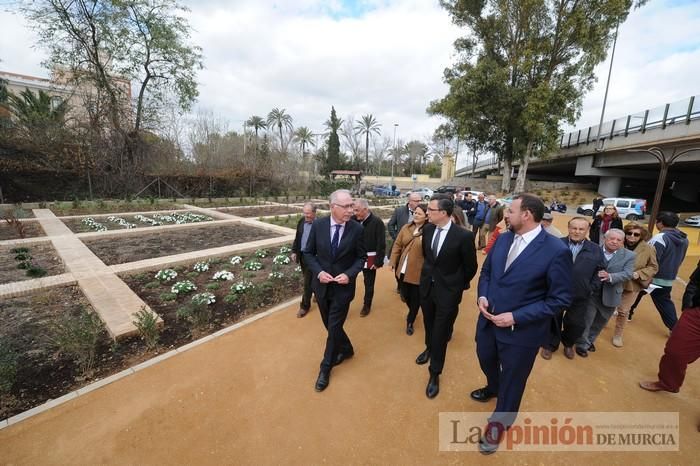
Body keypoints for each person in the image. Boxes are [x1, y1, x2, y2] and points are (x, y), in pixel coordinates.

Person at [472, 193, 572, 454]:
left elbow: (560, 299)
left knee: (514, 380)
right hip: (487, 322)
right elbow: (488, 273)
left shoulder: (556, 250)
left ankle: (499, 423)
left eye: (511, 211)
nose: (506, 215)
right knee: (485, 358)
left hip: (522, 332)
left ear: (526, 214)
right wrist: (482, 294)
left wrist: (516, 316)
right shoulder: (504, 238)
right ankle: (494, 387)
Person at [303, 189, 366, 392]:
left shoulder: (356, 229)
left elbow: (361, 258)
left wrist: (349, 274)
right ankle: (346, 349)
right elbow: (308, 254)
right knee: (330, 325)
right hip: (321, 287)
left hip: (343, 289)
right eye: (346, 206)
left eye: (352, 206)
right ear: (333, 207)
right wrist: (319, 272)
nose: (351, 210)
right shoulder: (319, 225)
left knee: (333, 327)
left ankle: (325, 367)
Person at [416, 194, 477, 399]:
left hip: (448, 293)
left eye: (431, 210)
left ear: (443, 213)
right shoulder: (428, 229)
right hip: (427, 288)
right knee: (428, 322)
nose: (427, 213)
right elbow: (428, 258)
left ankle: (435, 372)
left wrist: (455, 286)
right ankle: (428, 348)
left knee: (441, 331)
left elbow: (470, 268)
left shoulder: (463, 236)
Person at [540, 217, 605, 360]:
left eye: (581, 229)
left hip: (581, 294)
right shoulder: (556, 244)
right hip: (555, 292)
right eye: (574, 228)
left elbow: (600, 271)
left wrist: (591, 287)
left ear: (587, 230)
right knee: (553, 319)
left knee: (575, 322)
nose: (577, 231)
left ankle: (568, 343)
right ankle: (550, 345)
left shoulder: (595, 249)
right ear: (569, 228)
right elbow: (543, 265)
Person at [639, 259, 700, 393]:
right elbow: (695, 281)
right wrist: (688, 303)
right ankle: (668, 383)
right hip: (696, 315)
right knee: (675, 351)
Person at [575, 229, 635, 357]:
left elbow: (628, 273)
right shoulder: (594, 250)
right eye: (611, 239)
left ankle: (590, 340)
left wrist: (611, 277)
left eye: (618, 240)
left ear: (623, 242)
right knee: (587, 319)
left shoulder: (629, 255)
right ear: (605, 239)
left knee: (600, 321)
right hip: (592, 293)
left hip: (612, 294)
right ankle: (582, 344)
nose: (614, 242)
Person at [611, 222, 658, 347]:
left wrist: (639, 273)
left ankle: (618, 334)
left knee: (623, 310)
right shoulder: (617, 243)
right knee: (607, 304)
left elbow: (653, 267)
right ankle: (602, 322)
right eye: (629, 233)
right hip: (614, 281)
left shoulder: (648, 248)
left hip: (632, 284)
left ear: (641, 236)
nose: (632, 236)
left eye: (636, 234)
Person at [646, 211, 689, 332]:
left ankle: (675, 328)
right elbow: (681, 258)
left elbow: (651, 259)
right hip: (669, 277)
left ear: (661, 223)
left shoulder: (660, 237)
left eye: (657, 221)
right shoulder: (685, 239)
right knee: (664, 301)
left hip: (653, 277)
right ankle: (629, 311)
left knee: (636, 291)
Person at [390, 203, 428, 335]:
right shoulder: (406, 228)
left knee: (415, 297)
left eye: (419, 213)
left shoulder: (429, 230)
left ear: (426, 216)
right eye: (415, 213)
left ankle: (410, 320)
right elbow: (397, 245)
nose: (416, 215)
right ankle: (413, 309)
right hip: (402, 269)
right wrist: (393, 261)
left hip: (418, 271)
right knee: (405, 295)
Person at [352, 198, 386, 317]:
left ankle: (367, 305)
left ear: (366, 209)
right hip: (354, 257)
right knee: (349, 280)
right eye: (354, 210)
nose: (355, 213)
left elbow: (381, 243)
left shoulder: (377, 222)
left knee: (369, 283)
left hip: (370, 258)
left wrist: (378, 261)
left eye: (357, 210)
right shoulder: (352, 220)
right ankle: (344, 303)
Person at [388, 192, 422, 292]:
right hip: (401, 244)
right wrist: (396, 237)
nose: (419, 202)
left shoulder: (422, 212)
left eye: (420, 200)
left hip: (415, 245)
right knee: (398, 264)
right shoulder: (399, 211)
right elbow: (390, 225)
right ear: (410, 201)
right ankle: (400, 285)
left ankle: (407, 286)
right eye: (416, 201)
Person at [291, 202, 317, 318]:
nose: (306, 216)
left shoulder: (320, 224)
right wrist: (294, 251)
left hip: (314, 257)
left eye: (308, 214)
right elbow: (297, 237)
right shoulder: (301, 221)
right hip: (302, 256)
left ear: (314, 213)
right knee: (309, 278)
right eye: (304, 213)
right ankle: (316, 293)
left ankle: (304, 306)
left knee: (307, 282)